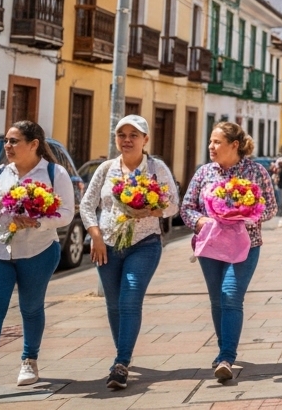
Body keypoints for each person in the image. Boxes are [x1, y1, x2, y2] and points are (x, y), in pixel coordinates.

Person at [0, 121, 76, 400]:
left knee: (31, 308)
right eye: (6, 141)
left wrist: (36, 221)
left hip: (39, 252)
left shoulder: (54, 173)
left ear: (34, 144)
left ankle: (29, 360)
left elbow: (67, 213)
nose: (7, 146)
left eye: (14, 141)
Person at [79, 115, 180, 390]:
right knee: (113, 305)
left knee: (130, 299)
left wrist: (153, 209)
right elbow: (87, 206)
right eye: (121, 134)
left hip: (145, 243)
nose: (126, 140)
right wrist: (96, 236)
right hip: (108, 246)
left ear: (145, 140)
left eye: (133, 135)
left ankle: (121, 363)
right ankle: (123, 355)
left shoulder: (157, 168)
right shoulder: (106, 169)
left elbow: (173, 205)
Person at [181, 122, 276, 382]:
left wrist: (247, 216)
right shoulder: (203, 173)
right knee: (216, 299)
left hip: (246, 246)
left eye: (217, 142)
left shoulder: (256, 172)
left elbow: (270, 207)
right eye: (210, 142)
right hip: (210, 247)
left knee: (231, 295)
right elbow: (187, 207)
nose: (211, 146)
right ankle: (224, 348)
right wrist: (201, 222)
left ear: (234, 145)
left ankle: (226, 357)